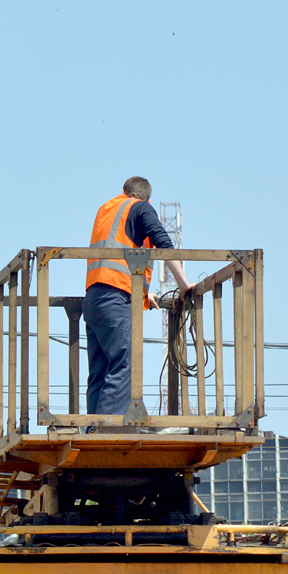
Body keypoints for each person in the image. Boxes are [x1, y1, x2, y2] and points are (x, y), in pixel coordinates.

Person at [83, 176, 192, 417]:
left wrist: (144, 294)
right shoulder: (141, 207)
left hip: (94, 298)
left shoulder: (107, 208)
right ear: (148, 199)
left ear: (122, 191)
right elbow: (163, 243)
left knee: (100, 371)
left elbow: (115, 258)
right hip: (115, 299)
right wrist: (183, 285)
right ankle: (108, 432)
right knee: (124, 366)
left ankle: (93, 429)